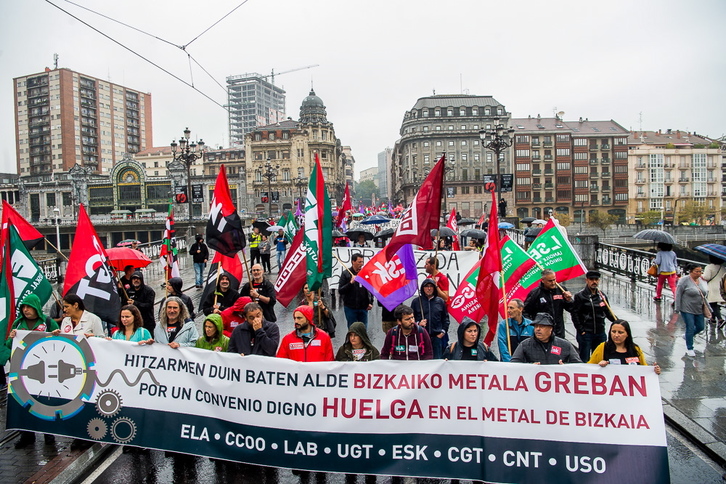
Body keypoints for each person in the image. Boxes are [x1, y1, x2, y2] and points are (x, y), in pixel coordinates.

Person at [570, 270, 616, 362]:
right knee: (584, 358)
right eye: (591, 279)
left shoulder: (602, 296)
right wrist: (581, 330)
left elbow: (608, 311)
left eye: (596, 279)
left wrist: (618, 322)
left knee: (600, 357)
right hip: (586, 333)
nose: (594, 282)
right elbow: (575, 314)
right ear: (586, 280)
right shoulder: (580, 296)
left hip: (600, 332)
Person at [588, 320, 661, 374]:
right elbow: (588, 369)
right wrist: (599, 366)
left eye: (620, 332)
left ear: (627, 334)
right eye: (613, 332)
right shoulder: (602, 347)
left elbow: (644, 368)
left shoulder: (635, 349)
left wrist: (653, 371)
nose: (616, 335)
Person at [511, 313, 582, 364]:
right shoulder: (525, 345)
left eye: (542, 326)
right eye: (536, 326)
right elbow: (514, 365)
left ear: (550, 328)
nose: (538, 329)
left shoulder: (565, 345)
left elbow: (578, 366)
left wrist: (565, 367)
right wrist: (529, 367)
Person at [523, 269, 573, 339]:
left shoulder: (561, 290)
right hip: (542, 333)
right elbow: (525, 311)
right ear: (543, 280)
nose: (553, 283)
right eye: (550, 281)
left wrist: (568, 300)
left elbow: (572, 309)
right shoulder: (536, 293)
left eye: (554, 280)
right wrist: (533, 325)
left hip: (559, 332)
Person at [675, 263, 708, 357]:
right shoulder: (684, 281)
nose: (699, 273)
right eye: (697, 271)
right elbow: (678, 294)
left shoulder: (701, 280)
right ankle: (690, 347)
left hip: (699, 308)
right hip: (687, 308)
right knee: (690, 326)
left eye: (700, 271)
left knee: (701, 326)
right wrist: (677, 308)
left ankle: (687, 336)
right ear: (691, 271)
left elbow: (705, 292)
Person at [411, 278, 449, 359]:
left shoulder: (440, 301)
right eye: (426, 286)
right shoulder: (416, 302)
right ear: (422, 288)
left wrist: (442, 332)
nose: (429, 288)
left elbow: (445, 319)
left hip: (436, 338)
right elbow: (410, 320)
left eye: (431, 286)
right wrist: (418, 324)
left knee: (437, 361)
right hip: (421, 337)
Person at [338, 253, 373, 327]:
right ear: (353, 262)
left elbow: (370, 288)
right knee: (352, 328)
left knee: (363, 329)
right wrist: (350, 283)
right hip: (350, 307)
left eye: (362, 262)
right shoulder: (345, 273)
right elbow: (341, 290)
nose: (361, 264)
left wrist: (370, 302)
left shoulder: (365, 273)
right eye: (359, 262)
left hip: (363, 307)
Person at [126, 271, 156, 335]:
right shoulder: (128, 291)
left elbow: (149, 305)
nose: (136, 280)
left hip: (147, 322)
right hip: (133, 322)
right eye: (134, 279)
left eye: (138, 279)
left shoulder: (149, 291)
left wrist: (135, 303)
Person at [702, 255, 726, 328]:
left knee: (712, 304)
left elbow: (706, 277)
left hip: (712, 287)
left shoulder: (709, 267)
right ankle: (712, 318)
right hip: (720, 287)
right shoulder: (723, 268)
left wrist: (701, 275)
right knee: (715, 303)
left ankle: (720, 319)